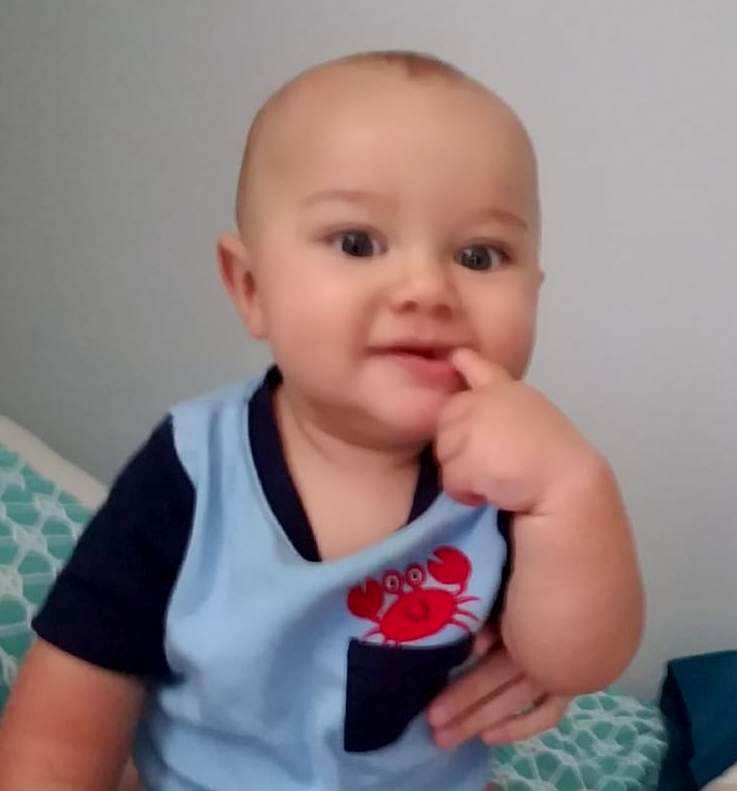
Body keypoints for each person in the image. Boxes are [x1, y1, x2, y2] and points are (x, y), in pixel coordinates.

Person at [0, 51, 643, 791]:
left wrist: (572, 492)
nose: (427, 289)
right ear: (251, 287)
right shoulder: (191, 469)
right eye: (357, 243)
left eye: (478, 254)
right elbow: (78, 685)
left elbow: (574, 663)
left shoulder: (510, 478)